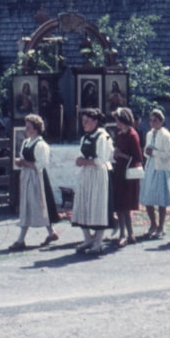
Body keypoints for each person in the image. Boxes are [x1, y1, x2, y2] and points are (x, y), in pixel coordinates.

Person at [9, 114, 60, 250]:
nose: (26, 130)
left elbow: (40, 165)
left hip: (37, 179)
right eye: (26, 127)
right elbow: (24, 159)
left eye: (29, 127)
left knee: (39, 205)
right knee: (29, 205)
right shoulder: (27, 142)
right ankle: (51, 233)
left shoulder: (41, 145)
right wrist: (20, 163)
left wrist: (24, 162)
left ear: (36, 129)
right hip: (27, 177)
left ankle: (21, 240)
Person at [71, 108, 114, 256]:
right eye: (82, 121)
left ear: (95, 121)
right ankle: (88, 238)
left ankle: (98, 243)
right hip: (86, 174)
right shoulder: (85, 137)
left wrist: (85, 161)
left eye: (87, 121)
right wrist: (80, 160)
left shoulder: (103, 137)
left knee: (97, 206)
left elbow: (101, 159)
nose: (84, 124)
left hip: (98, 174)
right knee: (83, 204)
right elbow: (81, 154)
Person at [139, 108, 170, 239]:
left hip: (162, 169)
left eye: (155, 120)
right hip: (150, 167)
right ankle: (153, 224)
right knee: (147, 198)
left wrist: (154, 152)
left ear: (161, 121)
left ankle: (161, 227)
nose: (152, 123)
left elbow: (169, 154)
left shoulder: (166, 135)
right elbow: (146, 151)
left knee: (161, 200)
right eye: (151, 120)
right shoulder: (149, 134)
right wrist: (147, 152)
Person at [111, 107, 143, 246]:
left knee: (126, 205)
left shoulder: (132, 135)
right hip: (120, 171)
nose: (116, 123)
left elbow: (138, 157)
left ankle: (127, 234)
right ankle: (127, 234)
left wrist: (121, 154)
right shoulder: (120, 134)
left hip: (128, 173)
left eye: (118, 120)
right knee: (120, 205)